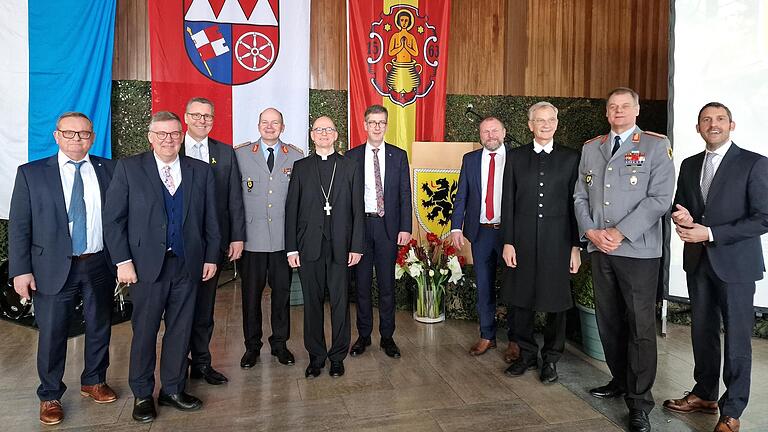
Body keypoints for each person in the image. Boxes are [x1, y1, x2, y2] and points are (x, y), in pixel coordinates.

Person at [103, 111, 221, 422]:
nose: (168, 139)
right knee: (144, 331)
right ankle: (143, 393)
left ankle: (172, 389)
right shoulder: (129, 168)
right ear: (150, 137)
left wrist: (210, 257)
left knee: (181, 330)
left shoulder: (199, 170)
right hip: (144, 269)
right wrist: (123, 262)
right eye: (162, 134)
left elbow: (211, 219)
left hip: (187, 265)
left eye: (174, 134)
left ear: (182, 136)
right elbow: (113, 220)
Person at [573, 87, 675, 432]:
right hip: (601, 249)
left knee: (640, 327)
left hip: (637, 250)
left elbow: (660, 198)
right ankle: (619, 380)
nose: (618, 111)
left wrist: (619, 232)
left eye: (625, 106)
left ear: (636, 110)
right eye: (613, 107)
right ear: (606, 113)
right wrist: (590, 232)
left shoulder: (655, 145)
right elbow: (579, 195)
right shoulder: (591, 148)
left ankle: (639, 402)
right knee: (610, 320)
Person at [664, 103, 768, 432]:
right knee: (702, 332)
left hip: (736, 266)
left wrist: (709, 233)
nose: (713, 124)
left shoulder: (754, 163)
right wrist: (680, 216)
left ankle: (732, 409)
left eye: (719, 119)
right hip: (699, 263)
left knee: (737, 340)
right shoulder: (690, 164)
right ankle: (705, 393)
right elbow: (683, 205)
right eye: (706, 120)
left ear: (731, 125)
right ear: (697, 128)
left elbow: (763, 218)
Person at [9, 112, 117, 426]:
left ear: (93, 137)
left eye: (84, 134)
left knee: (100, 326)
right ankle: (50, 394)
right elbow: (20, 226)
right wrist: (21, 271)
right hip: (51, 267)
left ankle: (93, 380)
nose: (77, 139)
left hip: (98, 262)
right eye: (69, 134)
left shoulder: (109, 169)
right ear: (57, 136)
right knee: (53, 333)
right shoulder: (32, 174)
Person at [501, 102, 581, 383]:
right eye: (539, 120)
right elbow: (507, 202)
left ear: (556, 124)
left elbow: (576, 206)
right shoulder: (515, 157)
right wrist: (508, 242)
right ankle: (525, 354)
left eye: (550, 120)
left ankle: (551, 359)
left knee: (557, 303)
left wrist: (575, 246)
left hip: (557, 243)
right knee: (520, 300)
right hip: (521, 241)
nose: (545, 125)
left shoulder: (572, 158)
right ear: (530, 125)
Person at [285, 116, 364, 379]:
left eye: (328, 129)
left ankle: (338, 356)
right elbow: (291, 211)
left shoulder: (350, 166)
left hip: (341, 247)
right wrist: (291, 249)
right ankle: (316, 356)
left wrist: (357, 246)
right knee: (312, 304)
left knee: (341, 303)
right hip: (309, 247)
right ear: (311, 135)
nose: (323, 134)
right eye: (319, 130)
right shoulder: (301, 167)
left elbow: (357, 210)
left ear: (336, 134)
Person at [182, 97, 245, 385]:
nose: (202, 120)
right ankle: (177, 364)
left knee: (206, 309)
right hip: (176, 247)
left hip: (212, 244)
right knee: (179, 309)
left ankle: (202, 364)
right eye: (196, 115)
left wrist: (236, 237)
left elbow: (234, 198)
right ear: (186, 117)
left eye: (207, 116)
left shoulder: (225, 152)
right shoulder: (169, 147)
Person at [235, 107, 303, 368]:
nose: (270, 127)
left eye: (275, 123)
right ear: (258, 125)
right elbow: (235, 200)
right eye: (265, 122)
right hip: (252, 240)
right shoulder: (241, 154)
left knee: (282, 295)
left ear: (283, 128)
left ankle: (280, 344)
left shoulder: (295, 156)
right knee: (250, 297)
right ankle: (252, 347)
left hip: (283, 242)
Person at [346, 104, 412, 359]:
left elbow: (405, 194)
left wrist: (405, 227)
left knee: (386, 286)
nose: (377, 127)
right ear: (364, 125)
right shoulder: (351, 157)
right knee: (361, 286)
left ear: (386, 125)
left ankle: (387, 336)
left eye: (381, 123)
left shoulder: (398, 155)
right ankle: (363, 336)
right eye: (372, 122)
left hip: (388, 229)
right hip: (361, 229)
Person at [450, 116, 517, 361]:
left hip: (509, 234)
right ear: (480, 135)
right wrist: (456, 227)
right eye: (485, 132)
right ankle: (487, 336)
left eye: (495, 130)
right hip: (480, 233)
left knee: (513, 288)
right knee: (484, 286)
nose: (490, 135)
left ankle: (515, 340)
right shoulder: (470, 160)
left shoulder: (516, 158)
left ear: (504, 131)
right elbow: (462, 196)